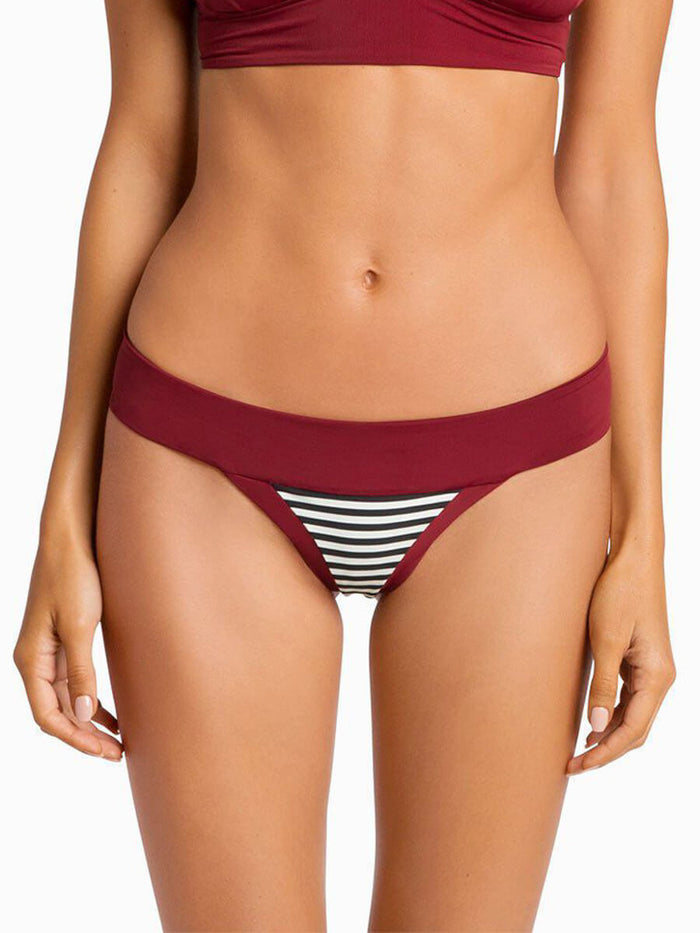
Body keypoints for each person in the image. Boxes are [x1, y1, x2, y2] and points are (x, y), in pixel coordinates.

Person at [14, 1, 676, 929]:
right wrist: (62, 516)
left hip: (520, 470)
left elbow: (612, 167)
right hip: (203, 455)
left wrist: (642, 533)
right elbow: (145, 140)